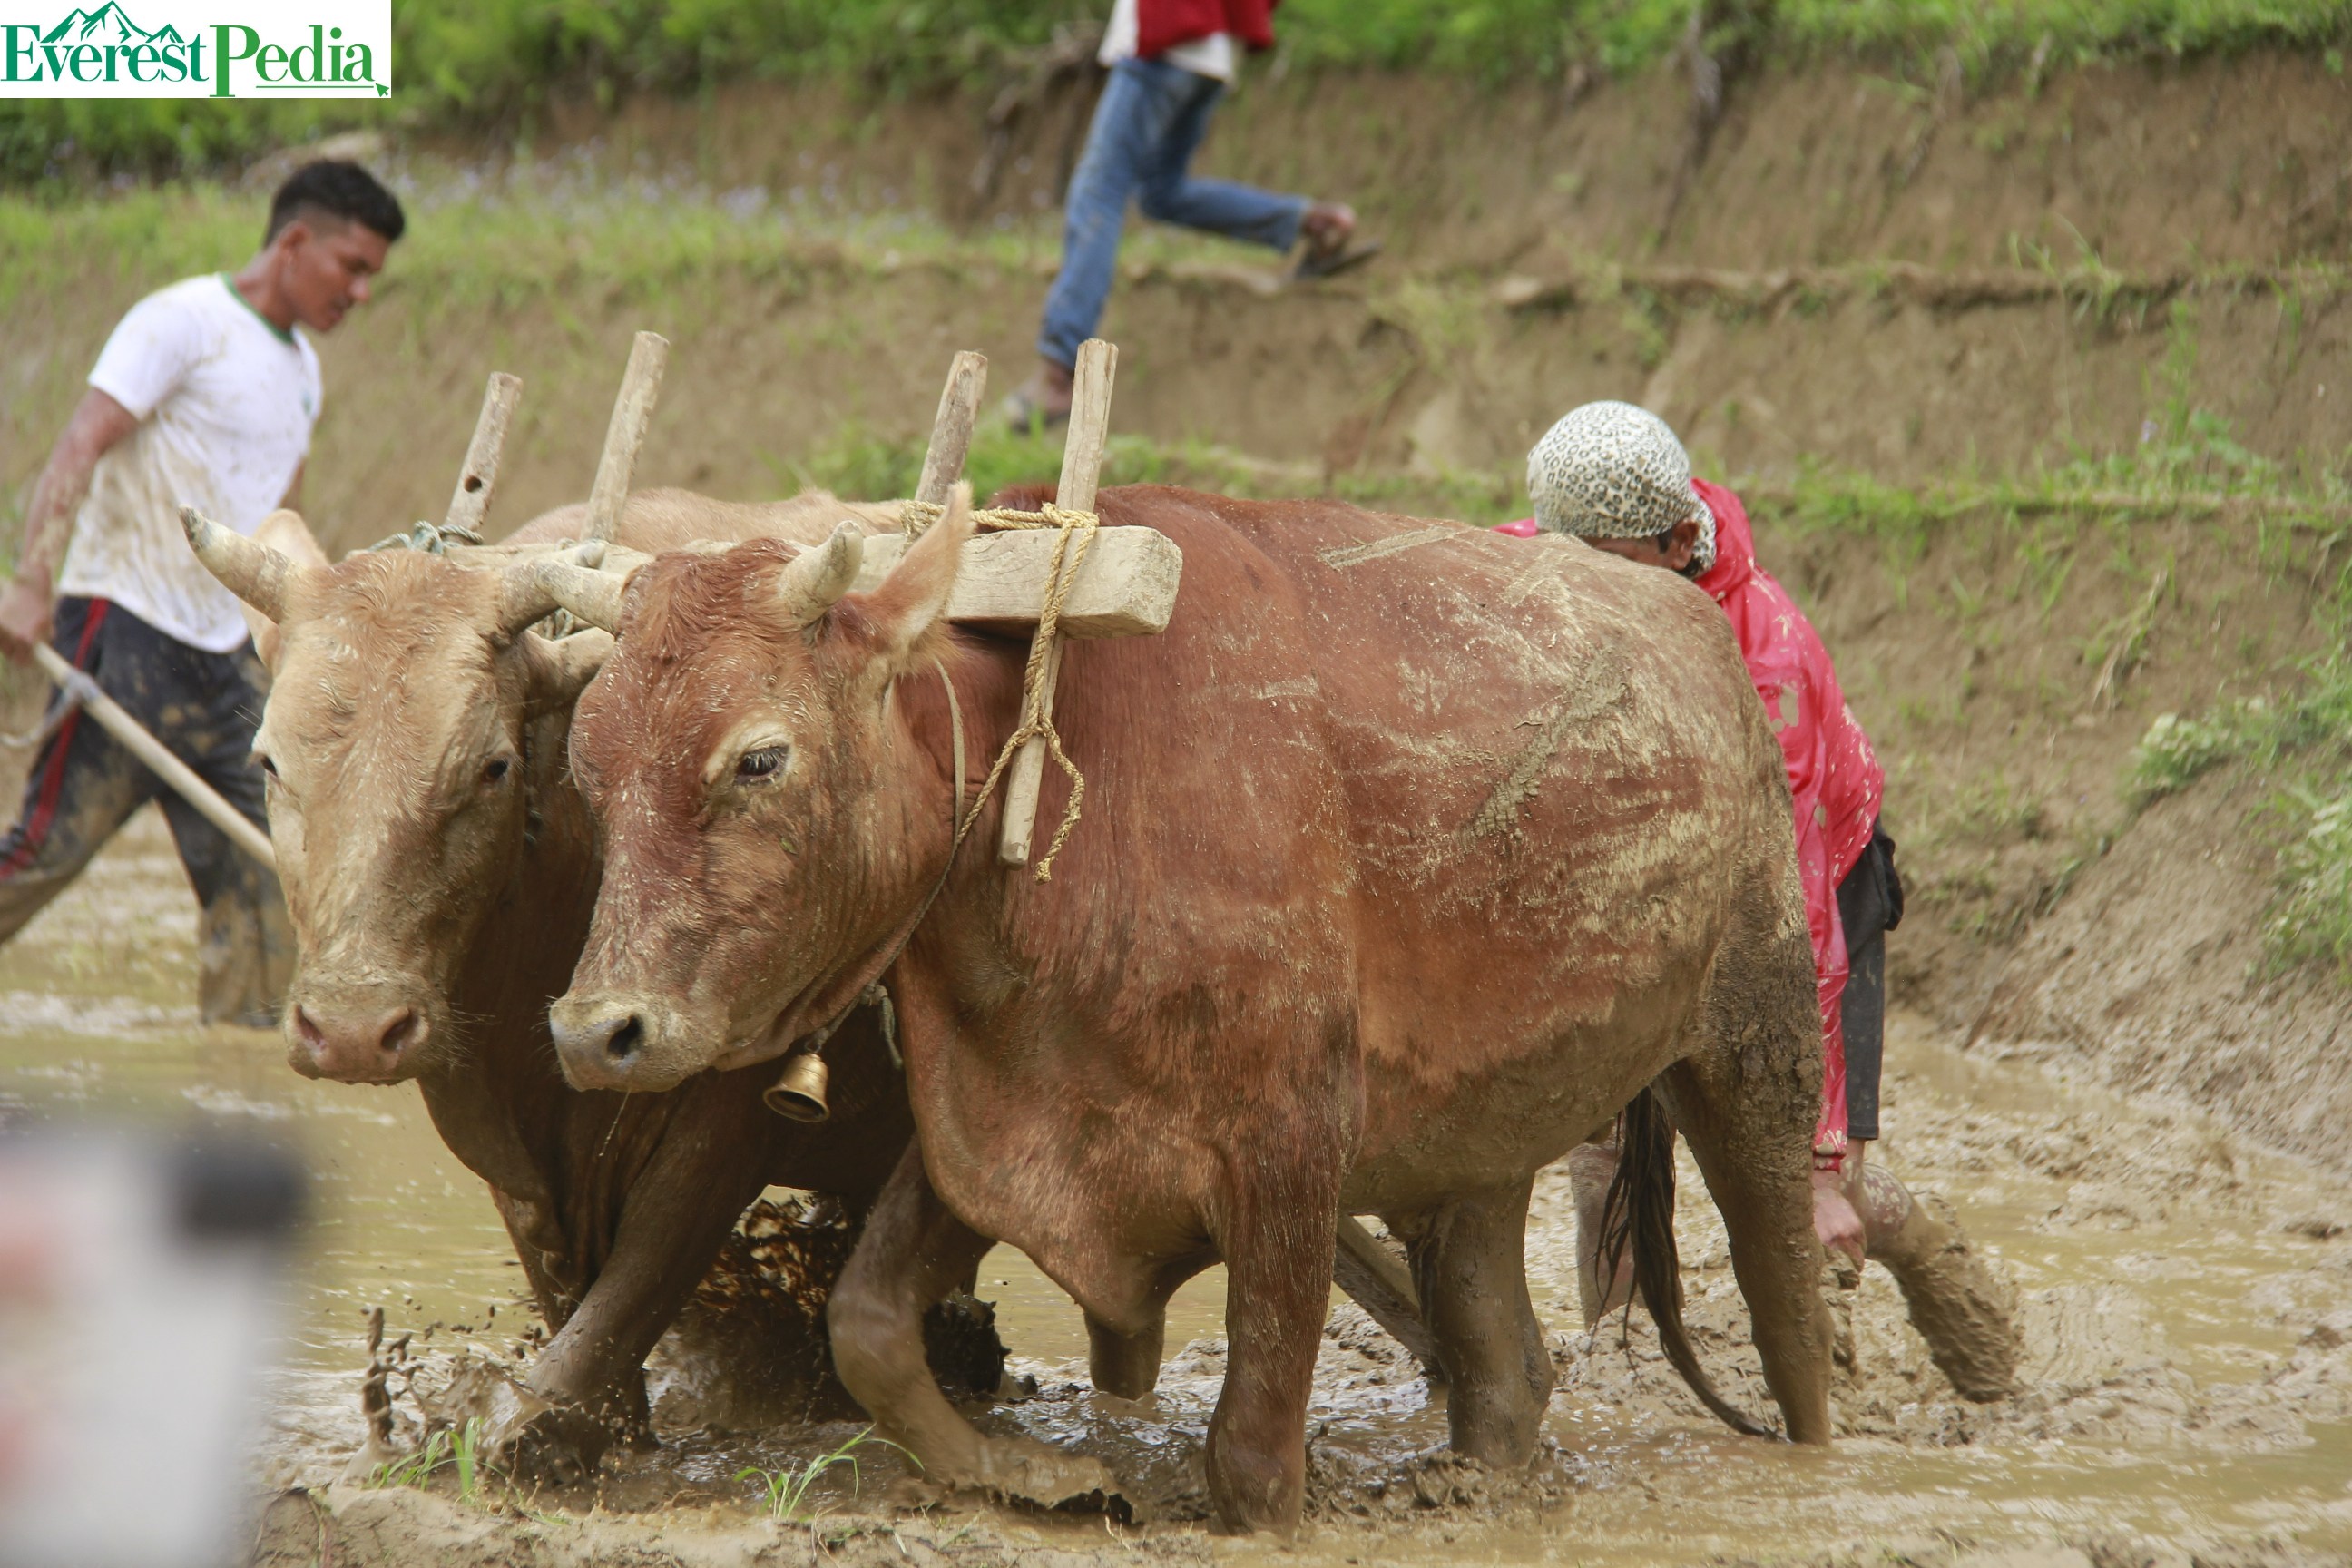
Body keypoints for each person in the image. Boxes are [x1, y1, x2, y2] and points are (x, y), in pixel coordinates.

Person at [1499, 401, 1904, 1300]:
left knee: (1805, 1200)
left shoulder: (1765, 665)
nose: (1584, 594)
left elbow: (1800, 921)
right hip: (1652, 881)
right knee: (1605, 1155)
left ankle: (1871, 1314)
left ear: (1681, 541)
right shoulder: (1560, 556)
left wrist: (1819, 1159)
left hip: (1815, 890)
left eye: (1611, 573)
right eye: (1566, 568)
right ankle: (1628, 1365)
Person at [0, 160, 404, 1025]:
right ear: (296, 242)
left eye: (373, 274)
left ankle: (239, 1085)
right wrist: (33, 580)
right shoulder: (182, 321)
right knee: (42, 854)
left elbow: (276, 522)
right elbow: (79, 447)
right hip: (126, 633)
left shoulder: (303, 371)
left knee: (257, 875)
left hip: (223, 663)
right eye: (353, 266)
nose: (362, 291)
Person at [1004, 0, 1376, 428]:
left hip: (1167, 39)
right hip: (1214, 51)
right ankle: (1311, 222)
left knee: (1098, 192)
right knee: (1163, 193)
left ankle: (1057, 373)